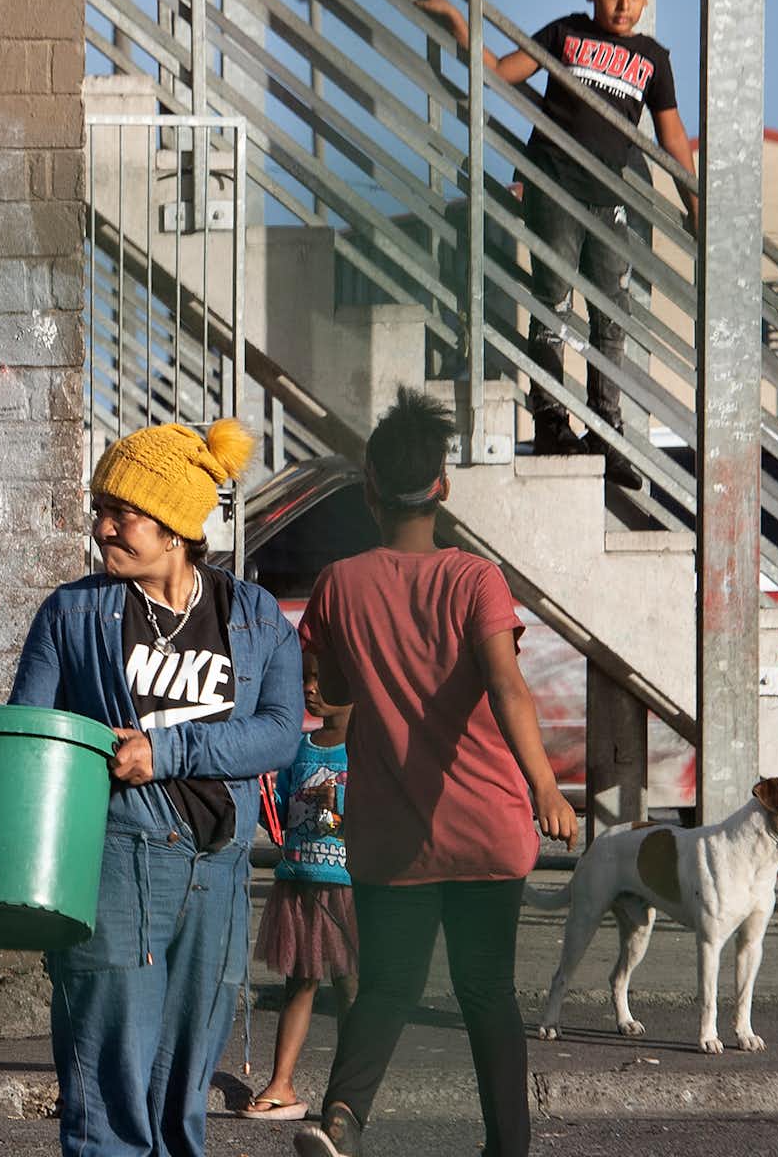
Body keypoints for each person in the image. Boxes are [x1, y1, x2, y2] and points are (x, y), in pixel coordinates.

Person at [0, 419, 303, 1157]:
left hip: (219, 872)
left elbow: (281, 732)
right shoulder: (74, 613)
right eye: (101, 510)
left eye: (121, 513)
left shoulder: (254, 617)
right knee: (108, 1081)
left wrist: (167, 750)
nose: (102, 528)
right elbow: (32, 726)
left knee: (185, 1081)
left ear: (176, 525)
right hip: (116, 864)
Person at [290, 389, 580, 1157]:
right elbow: (506, 685)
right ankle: (506, 1148)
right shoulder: (477, 580)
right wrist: (545, 787)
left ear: (370, 487)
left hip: (393, 840)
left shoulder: (339, 586)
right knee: (488, 994)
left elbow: (337, 692)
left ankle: (342, 1118)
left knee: (387, 985)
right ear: (443, 485)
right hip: (488, 828)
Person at [416, 0, 698, 490]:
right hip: (554, 189)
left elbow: (673, 135)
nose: (623, 4)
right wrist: (456, 19)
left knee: (611, 316)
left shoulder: (653, 59)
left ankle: (607, 430)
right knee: (553, 304)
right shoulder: (566, 34)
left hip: (608, 197)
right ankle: (551, 420)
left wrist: (694, 204)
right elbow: (500, 71)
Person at [238, 658, 356, 1123]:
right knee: (299, 983)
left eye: (321, 681)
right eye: (305, 680)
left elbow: (367, 820)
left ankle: (348, 1091)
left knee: (351, 988)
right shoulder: (299, 747)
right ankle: (281, 1082)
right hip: (300, 882)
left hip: (347, 887)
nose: (309, 689)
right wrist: (270, 802)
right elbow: (283, 813)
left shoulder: (364, 751)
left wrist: (339, 808)